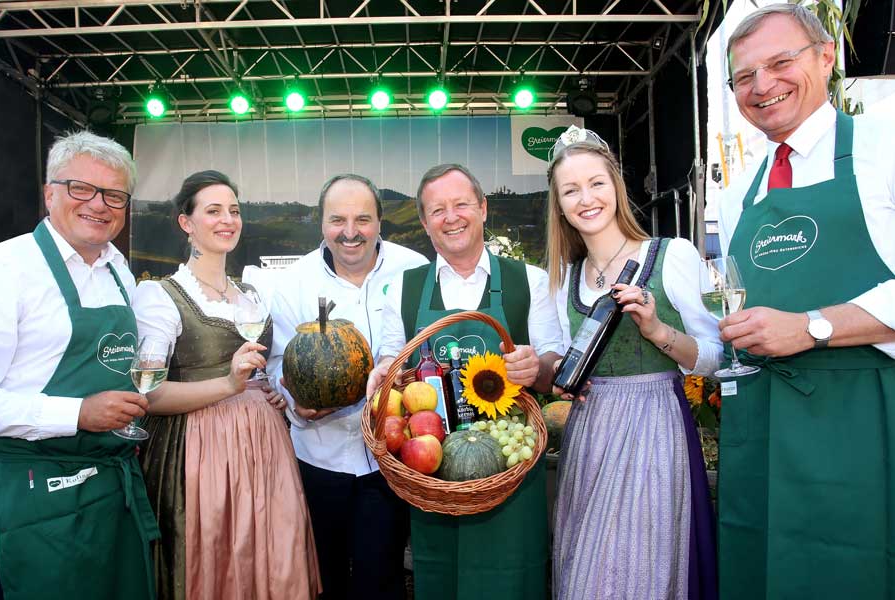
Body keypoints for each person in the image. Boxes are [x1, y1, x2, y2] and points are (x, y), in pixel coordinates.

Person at [717, 4, 895, 598]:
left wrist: (813, 326)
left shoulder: (882, 145)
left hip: (855, 430)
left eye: (780, 62)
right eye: (745, 76)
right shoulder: (743, 187)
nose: (762, 86)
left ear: (826, 58)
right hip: (763, 434)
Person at [366, 163, 565, 600]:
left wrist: (537, 365)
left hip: (510, 474)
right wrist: (381, 377)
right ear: (423, 222)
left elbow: (554, 365)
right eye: (437, 210)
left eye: (461, 204)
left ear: (483, 208)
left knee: (512, 580)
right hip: (432, 471)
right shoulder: (403, 290)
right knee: (441, 581)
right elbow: (391, 365)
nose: (451, 217)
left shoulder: (527, 281)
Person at [545, 126, 720, 599]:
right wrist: (564, 378)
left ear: (616, 186)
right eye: (571, 190)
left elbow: (715, 356)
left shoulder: (671, 256)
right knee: (581, 572)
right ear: (559, 205)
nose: (586, 198)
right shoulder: (565, 280)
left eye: (596, 183)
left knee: (637, 573)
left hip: (653, 427)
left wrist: (658, 331)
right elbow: (566, 359)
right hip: (589, 434)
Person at [133, 170, 320, 600]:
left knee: (272, 554)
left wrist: (269, 388)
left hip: (265, 446)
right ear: (187, 223)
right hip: (200, 450)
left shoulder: (252, 293)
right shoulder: (161, 296)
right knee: (215, 555)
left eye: (233, 211)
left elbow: (262, 368)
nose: (227, 220)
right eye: (213, 211)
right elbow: (148, 395)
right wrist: (230, 384)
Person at [0, 130, 159, 599]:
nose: (98, 204)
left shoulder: (119, 271)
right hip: (36, 499)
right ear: (50, 193)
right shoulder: (7, 269)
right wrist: (78, 414)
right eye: (80, 188)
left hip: (110, 493)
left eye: (113, 194)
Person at [267, 174, 427, 600]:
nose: (350, 232)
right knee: (326, 577)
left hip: (391, 458)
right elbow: (277, 364)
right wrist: (294, 404)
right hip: (320, 457)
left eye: (363, 219)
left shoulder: (414, 269)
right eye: (337, 219)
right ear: (321, 223)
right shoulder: (292, 283)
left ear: (380, 222)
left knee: (384, 576)